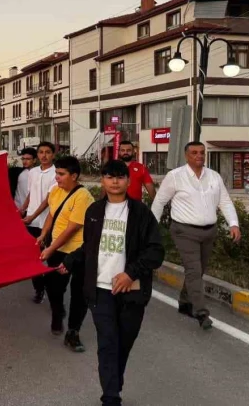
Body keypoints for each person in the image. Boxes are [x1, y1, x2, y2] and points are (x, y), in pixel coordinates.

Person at [60, 160, 165, 406]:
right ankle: (110, 397)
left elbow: (155, 251)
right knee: (107, 343)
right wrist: (72, 259)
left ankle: (113, 382)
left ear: (128, 181)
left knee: (123, 343)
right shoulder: (94, 212)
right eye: (109, 177)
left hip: (132, 291)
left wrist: (130, 273)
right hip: (100, 290)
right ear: (103, 181)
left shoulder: (141, 214)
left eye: (119, 177)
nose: (114, 182)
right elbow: (90, 246)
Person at [151, 141, 241, 329]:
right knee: (193, 270)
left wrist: (233, 224)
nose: (199, 156)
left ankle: (185, 302)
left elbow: (224, 201)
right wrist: (151, 228)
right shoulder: (175, 176)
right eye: (194, 152)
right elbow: (159, 201)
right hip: (184, 231)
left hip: (209, 231)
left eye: (202, 152)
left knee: (198, 271)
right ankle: (201, 313)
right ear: (186, 156)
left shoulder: (214, 176)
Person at [37, 155, 95, 352]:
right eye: (56, 173)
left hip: (78, 253)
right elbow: (52, 215)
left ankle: (73, 332)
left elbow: (72, 228)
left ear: (74, 176)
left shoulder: (83, 197)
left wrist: (49, 249)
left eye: (61, 174)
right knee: (54, 288)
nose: (57, 178)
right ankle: (57, 313)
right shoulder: (56, 191)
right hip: (57, 250)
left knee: (80, 294)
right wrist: (43, 235)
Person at [21, 142, 56, 304]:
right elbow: (30, 194)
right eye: (41, 152)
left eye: (47, 152)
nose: (44, 155)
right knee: (33, 258)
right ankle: (39, 289)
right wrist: (22, 209)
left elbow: (48, 200)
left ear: (53, 155)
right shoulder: (33, 172)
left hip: (47, 223)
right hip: (31, 223)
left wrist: (33, 215)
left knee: (48, 256)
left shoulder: (56, 173)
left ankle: (52, 290)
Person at [14, 148, 37, 215]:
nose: (24, 161)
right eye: (23, 159)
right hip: (17, 209)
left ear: (34, 160)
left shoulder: (38, 174)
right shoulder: (17, 172)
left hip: (31, 211)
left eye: (28, 159)